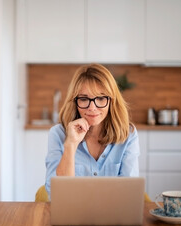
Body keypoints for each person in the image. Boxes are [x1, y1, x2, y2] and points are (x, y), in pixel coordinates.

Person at [45, 63, 140, 198]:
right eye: (84, 99)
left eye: (100, 98)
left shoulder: (128, 135)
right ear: (74, 101)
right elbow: (56, 195)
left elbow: (130, 193)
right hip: (72, 216)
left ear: (112, 100)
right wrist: (70, 145)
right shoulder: (58, 134)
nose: (92, 107)